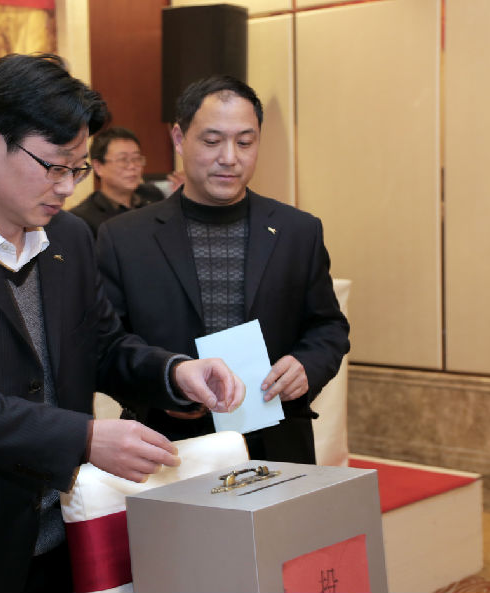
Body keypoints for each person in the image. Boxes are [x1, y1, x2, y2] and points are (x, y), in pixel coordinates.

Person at [0, 54, 244, 593]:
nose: (67, 187)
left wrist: (172, 373)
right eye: (55, 167)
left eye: (78, 169)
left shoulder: (69, 239)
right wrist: (83, 438)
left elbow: (102, 345)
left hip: (58, 543)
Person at [96, 75, 349, 464]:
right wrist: (167, 382)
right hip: (170, 448)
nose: (230, 157)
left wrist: (306, 366)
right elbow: (105, 345)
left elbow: (328, 328)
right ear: (179, 138)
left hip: (277, 445)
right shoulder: (124, 238)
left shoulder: (298, 231)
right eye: (212, 141)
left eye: (245, 142)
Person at [68, 126, 164, 236]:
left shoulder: (153, 196)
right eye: (123, 159)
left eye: (136, 158)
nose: (132, 166)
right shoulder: (82, 219)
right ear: (98, 167)